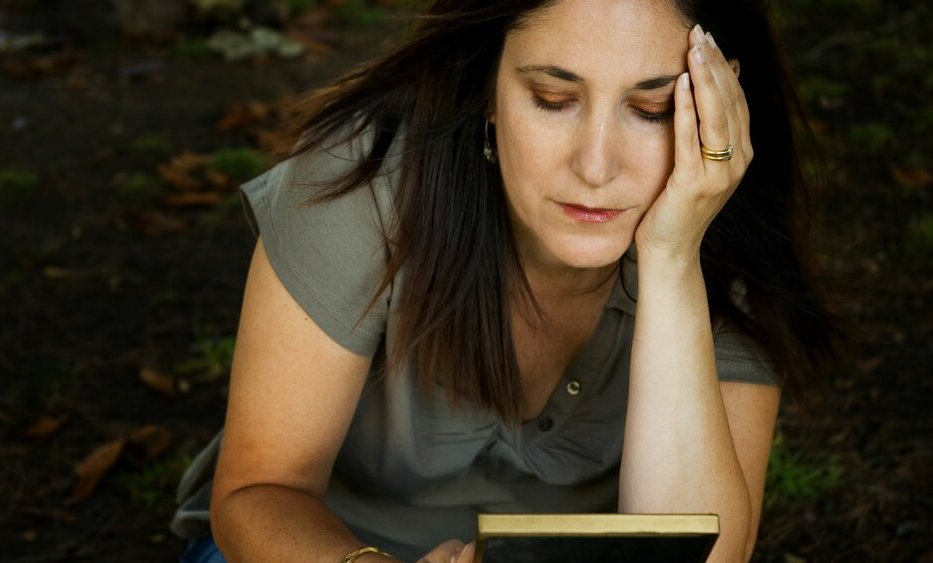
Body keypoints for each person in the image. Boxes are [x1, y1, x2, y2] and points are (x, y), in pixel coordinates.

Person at [171, 1, 840, 561]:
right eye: (553, 99)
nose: (596, 165)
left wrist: (670, 258)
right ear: (488, 90)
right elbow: (257, 492)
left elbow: (706, 554)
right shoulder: (361, 188)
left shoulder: (729, 249)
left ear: (717, 101)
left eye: (655, 108)